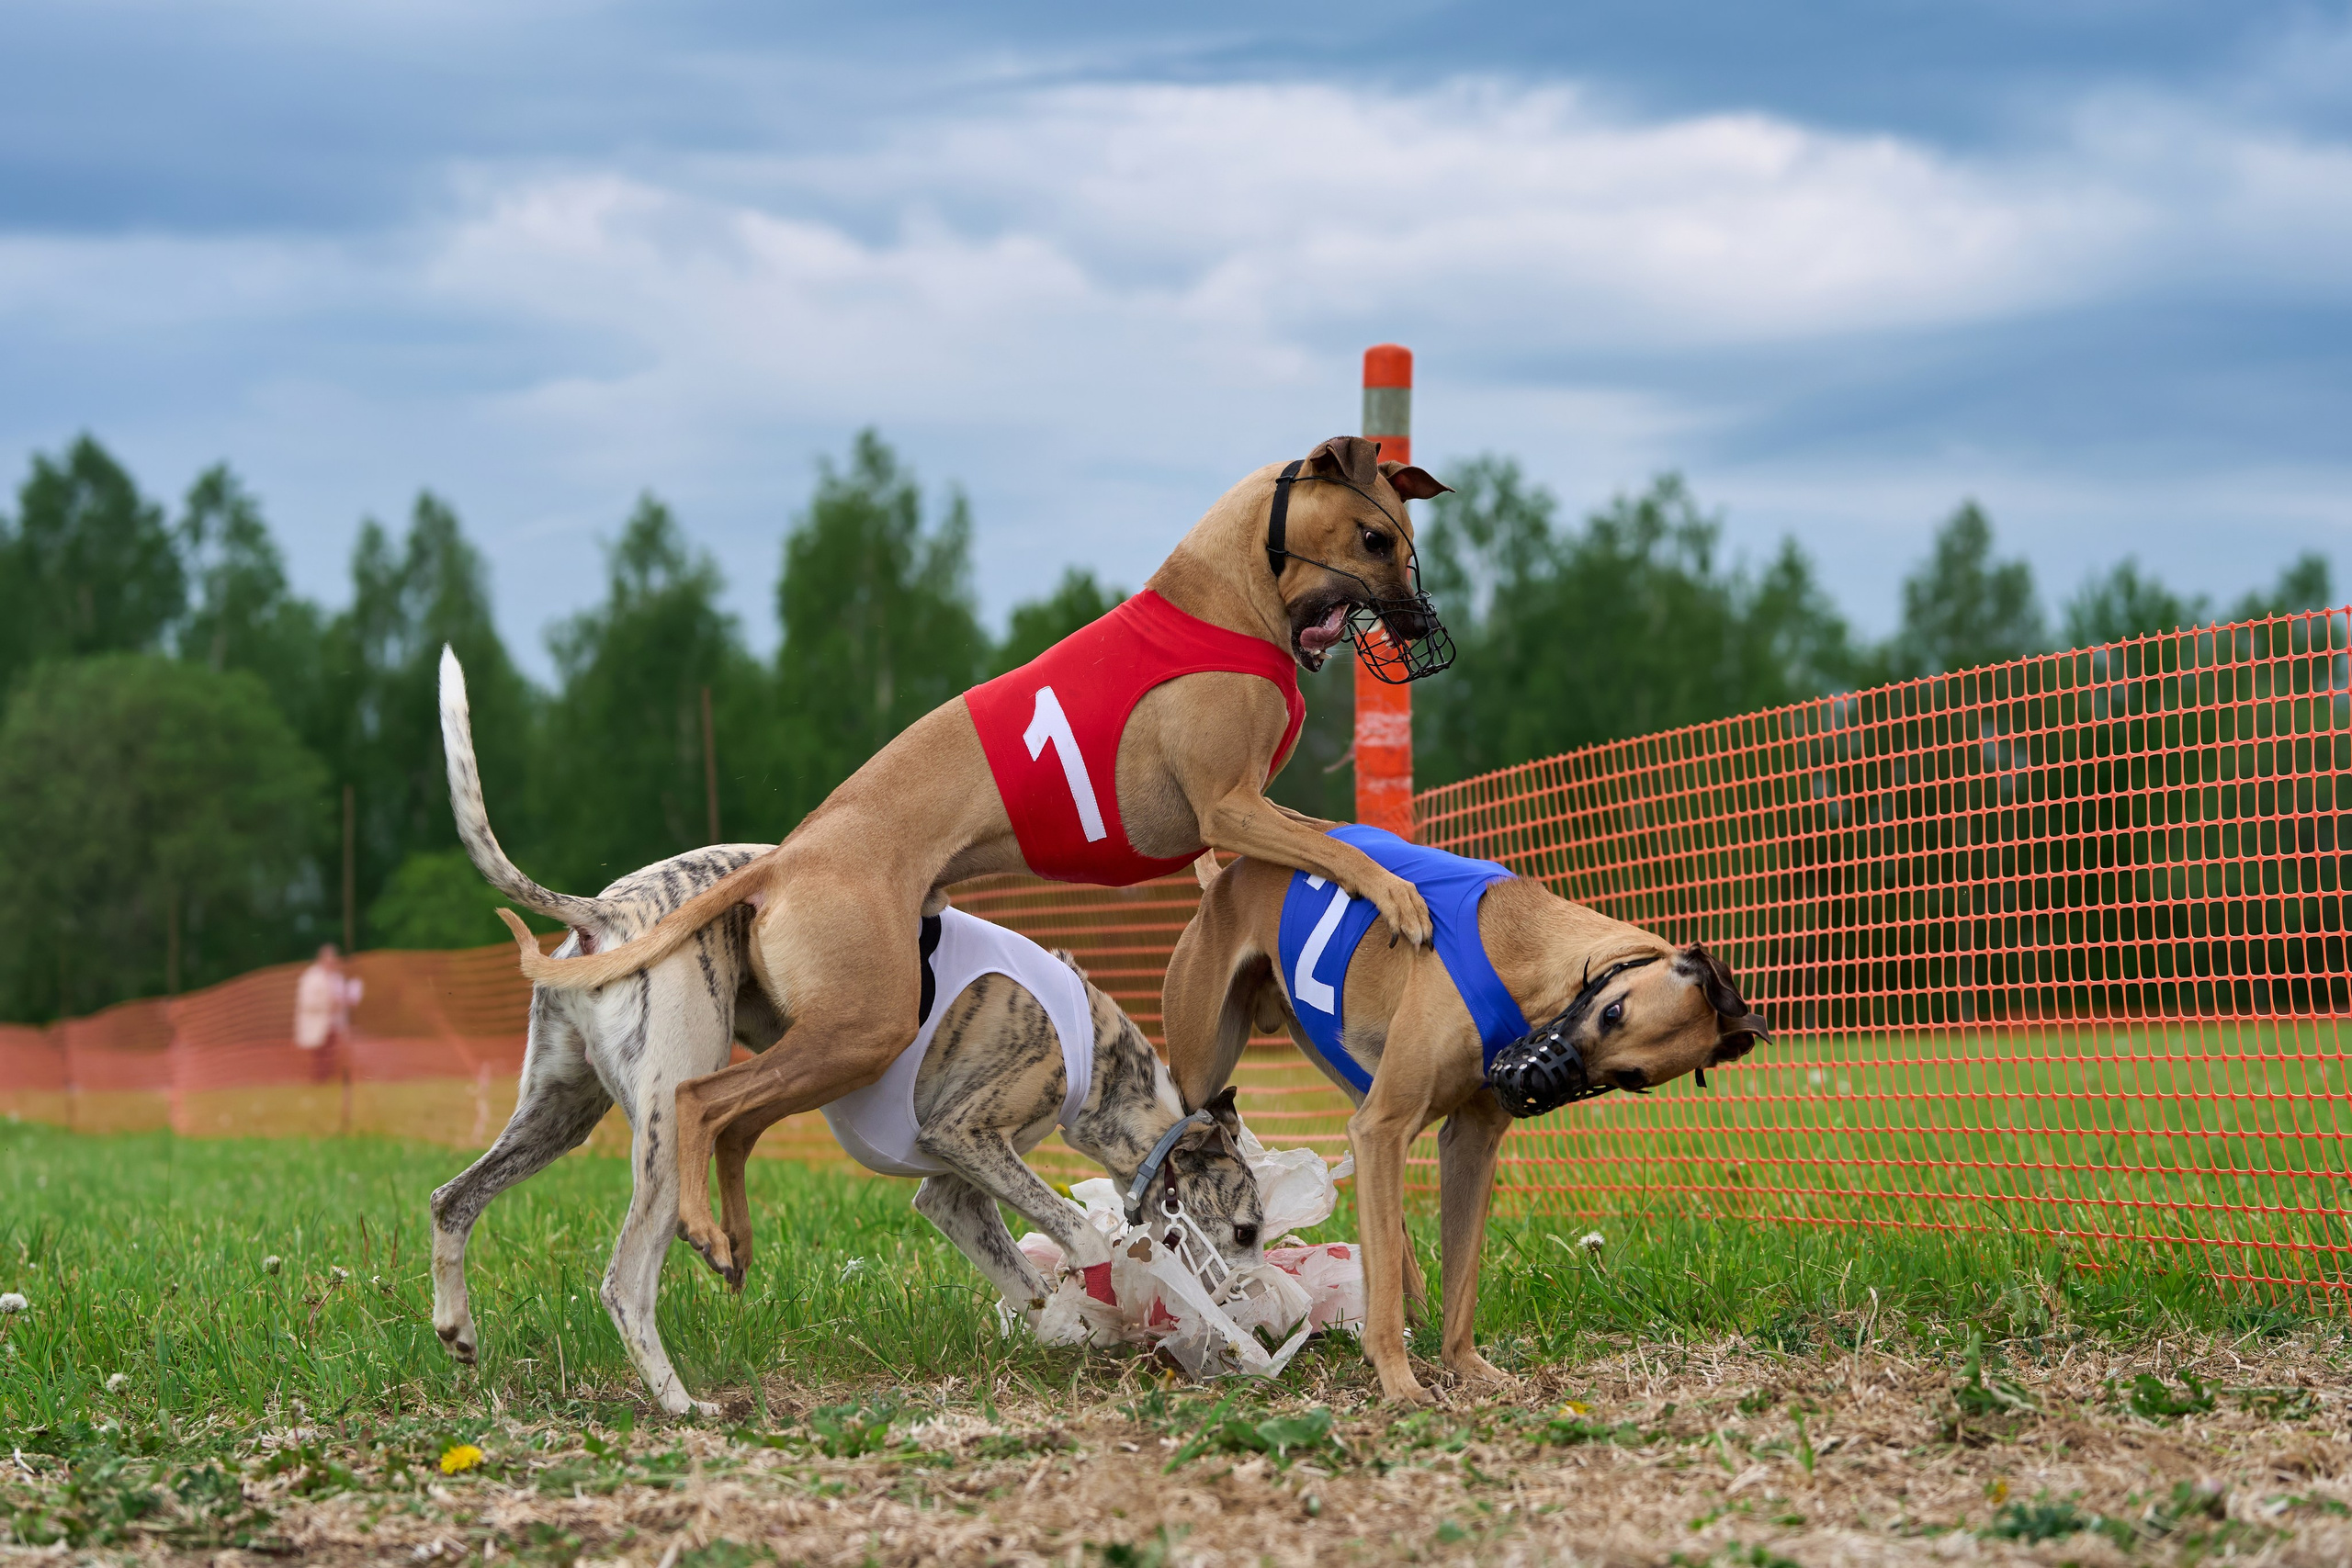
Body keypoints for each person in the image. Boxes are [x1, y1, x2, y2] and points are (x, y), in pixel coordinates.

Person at [293, 944, 363, 1086]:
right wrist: (328, 1005)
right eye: (328, 960)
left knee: (332, 1055)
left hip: (334, 1024)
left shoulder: (337, 978)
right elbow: (306, 1002)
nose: (331, 964)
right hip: (318, 1024)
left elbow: (343, 999)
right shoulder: (311, 977)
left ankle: (327, 1080)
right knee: (319, 1055)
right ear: (321, 959)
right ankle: (319, 1081)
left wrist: (349, 999)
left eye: (333, 960)